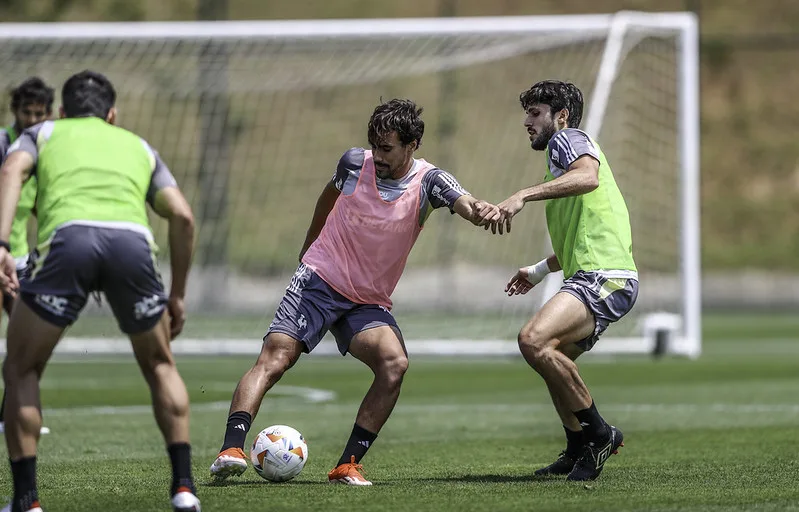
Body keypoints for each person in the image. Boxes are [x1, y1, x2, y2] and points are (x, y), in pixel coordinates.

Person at [210, 99, 500, 485]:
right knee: (276, 358)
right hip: (320, 279)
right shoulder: (352, 163)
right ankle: (231, 449)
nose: (376, 156)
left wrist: (481, 210)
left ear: (412, 144)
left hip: (366, 300)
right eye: (374, 145)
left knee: (394, 364)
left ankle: (347, 464)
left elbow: (464, 202)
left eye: (387, 148)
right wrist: (308, 247)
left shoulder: (429, 181)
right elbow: (327, 197)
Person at [0, 70, 200, 512]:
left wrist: (0, 243)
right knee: (160, 365)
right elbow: (183, 217)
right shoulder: (139, 146)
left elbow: (12, 168)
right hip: (131, 244)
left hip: (68, 243)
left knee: (21, 369)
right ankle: (184, 488)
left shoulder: (42, 132)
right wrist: (178, 295)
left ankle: (27, 500)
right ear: (111, 114)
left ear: (63, 112)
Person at [479, 80, 638, 481]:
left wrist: (523, 195)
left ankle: (600, 434)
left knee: (532, 340)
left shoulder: (567, 141)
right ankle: (576, 446)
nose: (526, 122)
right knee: (553, 359)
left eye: (535, 113)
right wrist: (537, 270)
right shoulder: (560, 157)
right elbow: (578, 238)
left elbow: (589, 177)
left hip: (604, 276)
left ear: (561, 116)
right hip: (600, 273)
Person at [0, 77, 55, 437]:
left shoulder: (41, 150)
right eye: (26, 112)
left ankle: (13, 415)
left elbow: (37, 205)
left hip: (17, 260)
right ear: (14, 111)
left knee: (27, 341)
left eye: (39, 113)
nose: (32, 118)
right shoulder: (5, 144)